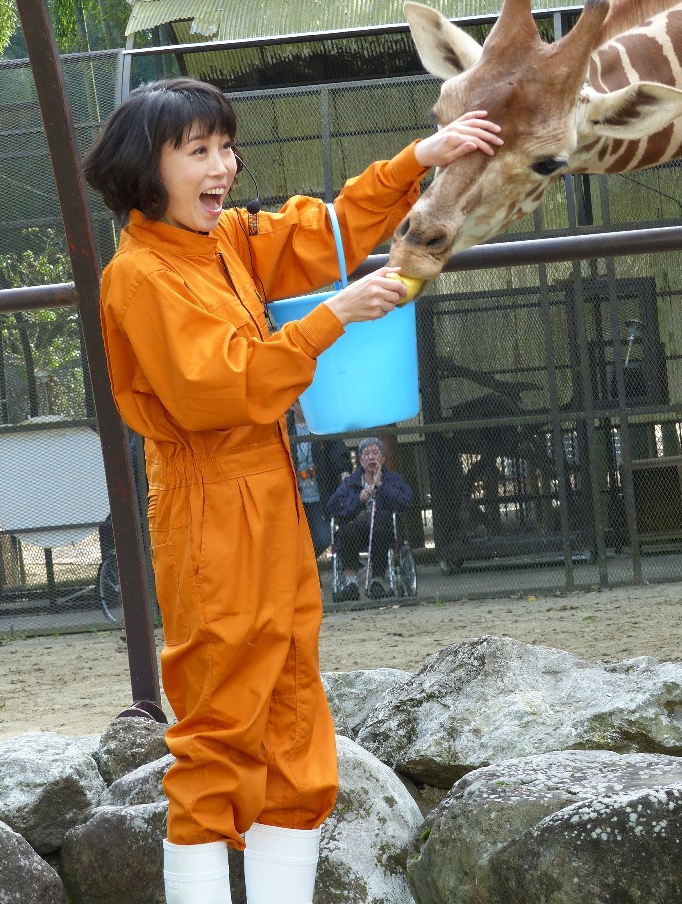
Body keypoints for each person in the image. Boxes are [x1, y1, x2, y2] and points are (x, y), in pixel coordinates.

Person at [81, 76, 502, 904]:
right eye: (197, 151)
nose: (223, 166)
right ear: (144, 169)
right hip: (210, 509)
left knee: (292, 717)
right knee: (219, 733)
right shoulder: (138, 275)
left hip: (270, 497)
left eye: (225, 148)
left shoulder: (224, 241)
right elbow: (216, 387)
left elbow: (326, 228)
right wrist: (331, 317)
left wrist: (424, 156)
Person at [326, 436, 413, 600]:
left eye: (375, 453)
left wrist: (382, 487)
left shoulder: (393, 479)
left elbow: (405, 501)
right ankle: (351, 584)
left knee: (380, 523)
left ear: (383, 458)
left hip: (382, 530)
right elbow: (333, 505)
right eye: (366, 454)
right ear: (360, 460)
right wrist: (359, 500)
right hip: (356, 529)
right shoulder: (350, 483)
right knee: (346, 531)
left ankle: (377, 581)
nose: (371, 457)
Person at [289, 399, 351, 558]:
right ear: (292, 405)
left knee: (323, 537)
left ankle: (308, 566)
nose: (305, 408)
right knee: (294, 539)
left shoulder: (320, 427)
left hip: (318, 494)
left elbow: (337, 448)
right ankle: (309, 576)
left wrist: (343, 469)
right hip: (293, 497)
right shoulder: (285, 428)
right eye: (300, 403)